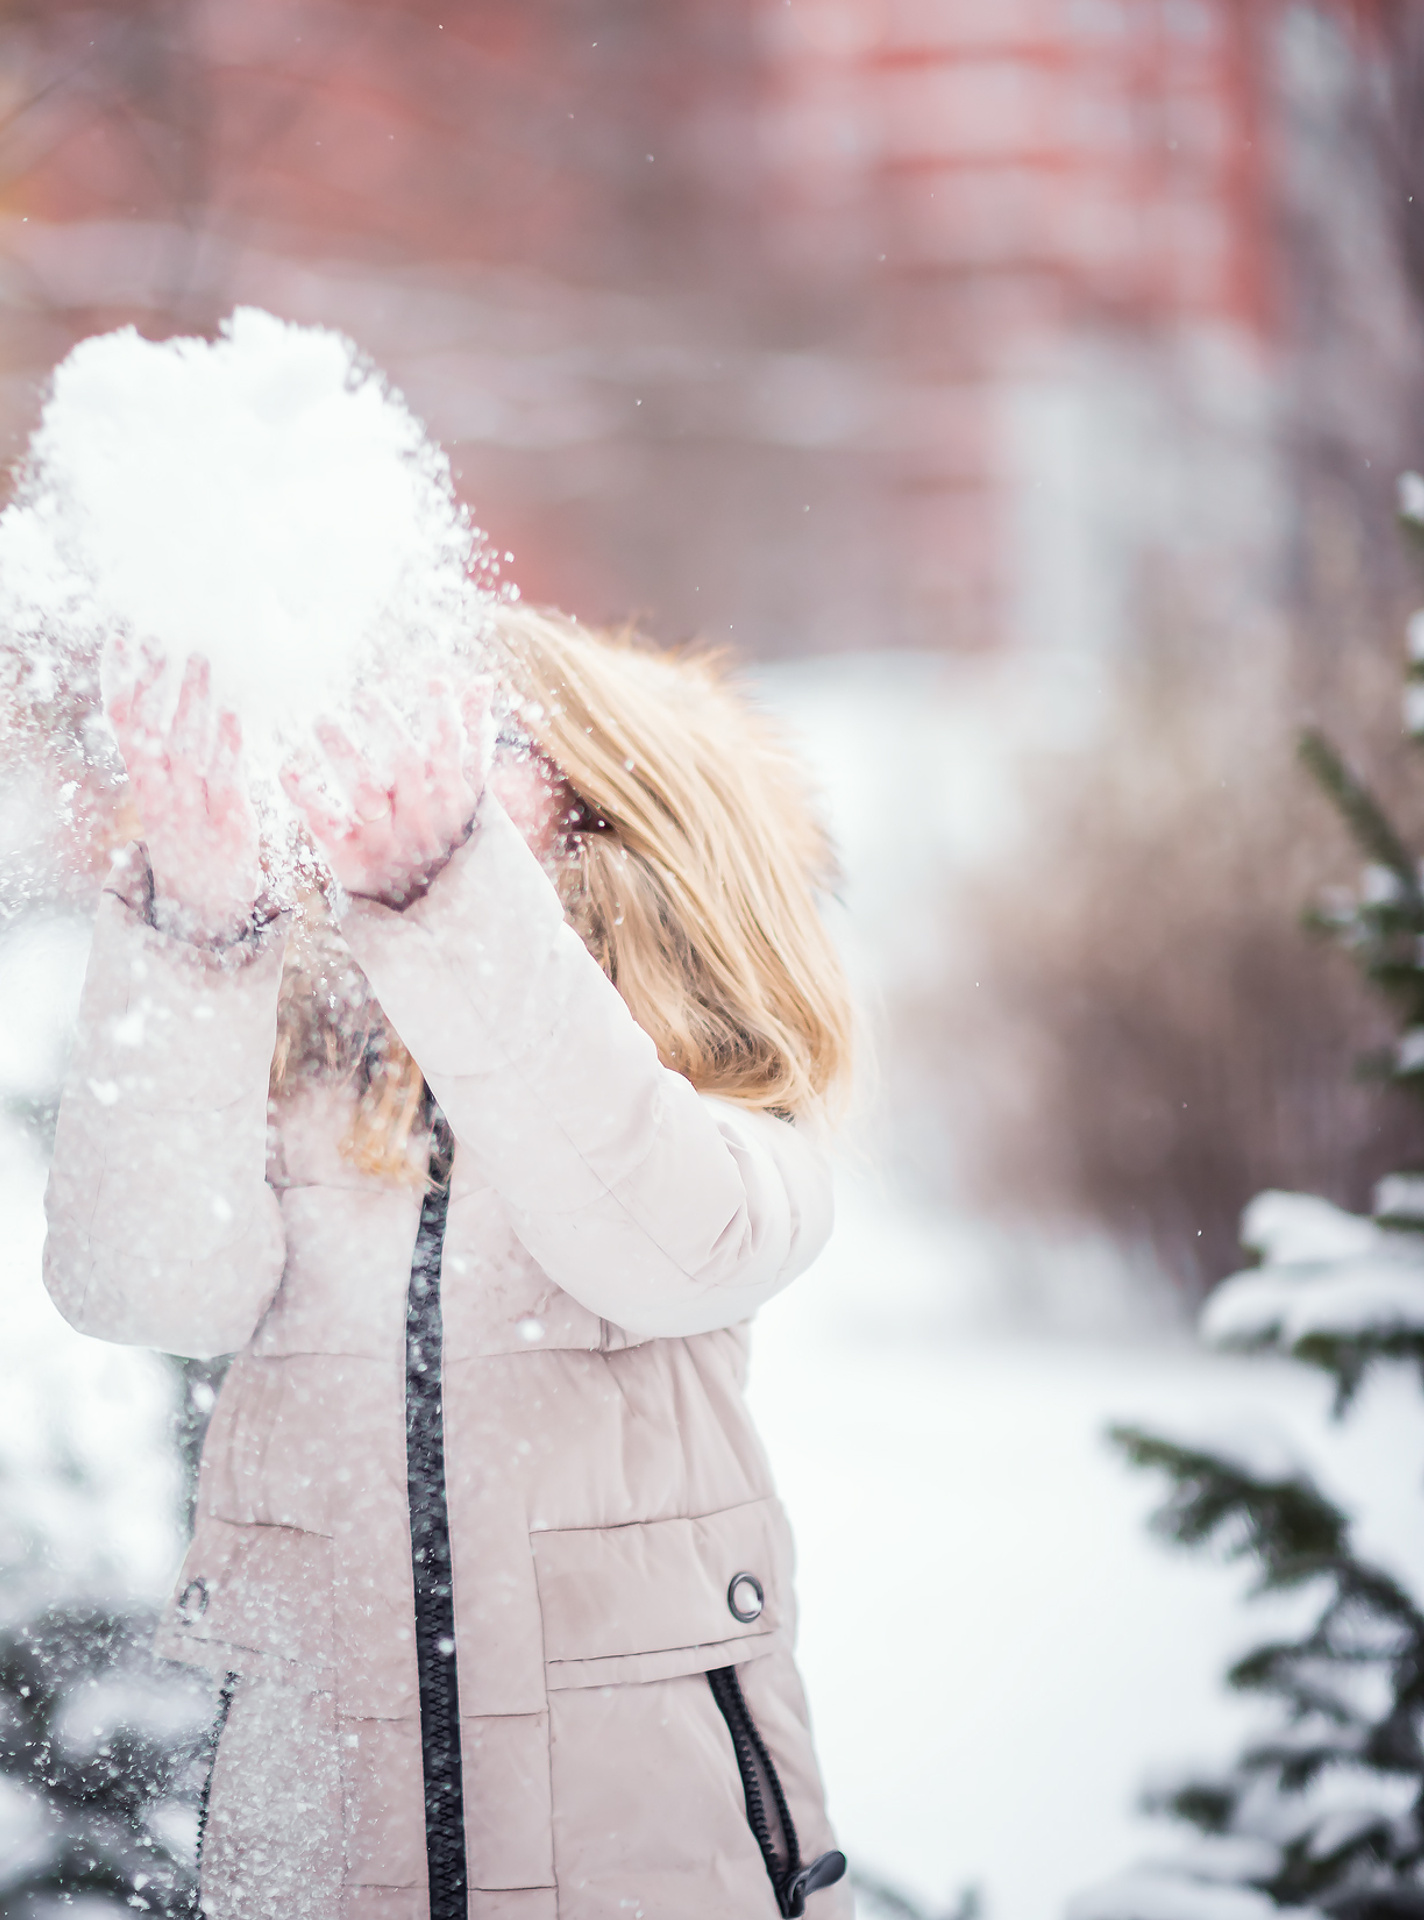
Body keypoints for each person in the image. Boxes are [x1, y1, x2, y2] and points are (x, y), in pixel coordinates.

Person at [44, 604, 857, 1920]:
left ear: (602, 792)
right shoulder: (294, 1106)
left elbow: (656, 1237)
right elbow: (137, 1284)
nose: (379, 753)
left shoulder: (733, 1125)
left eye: (466, 732)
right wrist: (197, 913)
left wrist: (447, 891)